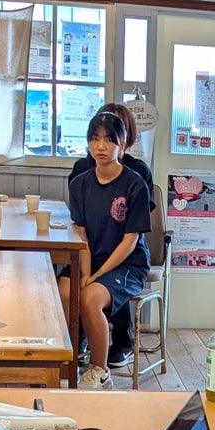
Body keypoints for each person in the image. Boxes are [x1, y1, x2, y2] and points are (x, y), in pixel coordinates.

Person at [64, 109, 152, 389]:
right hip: (91, 257)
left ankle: (99, 370)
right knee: (63, 291)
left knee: (90, 298)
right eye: (95, 138)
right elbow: (81, 234)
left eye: (109, 140)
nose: (101, 146)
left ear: (122, 145)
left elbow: (130, 241)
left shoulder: (135, 184)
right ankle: (69, 359)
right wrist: (85, 272)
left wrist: (97, 275)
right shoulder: (80, 184)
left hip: (127, 264)